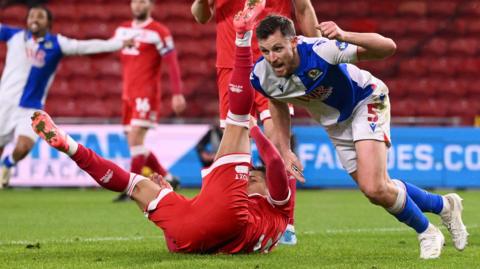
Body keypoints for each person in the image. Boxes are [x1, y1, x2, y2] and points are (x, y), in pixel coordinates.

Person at [30, 1, 295, 253]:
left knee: (237, 120)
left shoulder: (270, 206)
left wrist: (252, 129)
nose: (251, 176)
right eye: (253, 176)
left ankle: (242, 36)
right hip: (196, 232)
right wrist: (169, 199)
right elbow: (272, 164)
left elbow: (272, 162)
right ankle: (69, 144)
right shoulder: (278, 211)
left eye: (255, 179)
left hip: (226, 218)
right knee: (135, 185)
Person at [249, 14, 469, 259]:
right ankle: (444, 206)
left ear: (293, 42)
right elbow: (277, 104)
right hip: (337, 124)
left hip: (366, 100)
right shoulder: (261, 74)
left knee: (375, 186)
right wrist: (285, 149)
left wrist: (344, 35)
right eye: (265, 51)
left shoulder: (321, 51)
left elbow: (388, 47)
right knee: (375, 190)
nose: (272, 58)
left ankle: (427, 232)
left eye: (278, 49)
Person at [191, 0, 319, 245]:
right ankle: (229, 220)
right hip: (231, 65)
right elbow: (200, 16)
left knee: (279, 144)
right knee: (232, 151)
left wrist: (320, 52)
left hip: (272, 63)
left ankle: (286, 223)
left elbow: (303, 9)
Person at [0, 5, 132, 188]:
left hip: (31, 106)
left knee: (23, 147)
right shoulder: (14, 36)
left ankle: (8, 164)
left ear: (49, 23)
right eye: (31, 16)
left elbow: (85, 47)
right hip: (4, 103)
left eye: (40, 16)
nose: (34, 19)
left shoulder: (57, 44)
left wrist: (118, 43)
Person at [112, 0, 186, 201]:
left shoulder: (159, 32)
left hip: (147, 93)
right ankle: (170, 178)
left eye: (143, 2)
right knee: (135, 144)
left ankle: (131, 188)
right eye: (135, 1)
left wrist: (177, 93)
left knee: (136, 139)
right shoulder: (121, 30)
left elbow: (172, 63)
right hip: (128, 94)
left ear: (151, 5)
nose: (138, 5)